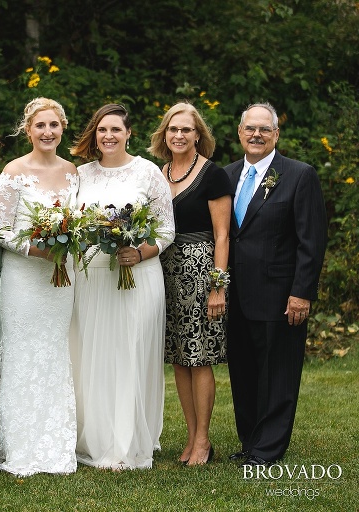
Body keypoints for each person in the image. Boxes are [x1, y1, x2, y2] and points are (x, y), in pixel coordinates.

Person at [69, 103, 175, 470]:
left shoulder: (148, 172)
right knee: (92, 354)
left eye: (116, 129)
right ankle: (95, 436)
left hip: (138, 277)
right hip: (92, 277)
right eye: (102, 130)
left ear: (129, 133)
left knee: (130, 353)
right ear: (94, 135)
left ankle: (127, 441)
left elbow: (166, 229)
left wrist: (141, 252)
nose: (108, 136)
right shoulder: (79, 174)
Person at [225, 103, 327, 468]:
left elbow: (311, 241)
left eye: (264, 130)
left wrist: (302, 293)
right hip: (235, 296)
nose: (256, 135)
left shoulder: (299, 175)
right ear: (239, 133)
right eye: (250, 129)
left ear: (276, 134)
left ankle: (268, 449)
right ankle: (250, 441)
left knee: (278, 375)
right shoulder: (228, 175)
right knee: (244, 373)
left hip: (280, 296)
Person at [0, 97, 78, 476]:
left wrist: (69, 243)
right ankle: (20, 442)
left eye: (54, 125)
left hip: (61, 280)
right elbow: (0, 229)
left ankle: (56, 439)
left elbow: (80, 221)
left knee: (54, 352)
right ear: (28, 130)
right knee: (22, 353)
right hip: (23, 279)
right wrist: (35, 249)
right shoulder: (13, 171)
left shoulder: (73, 171)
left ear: (62, 129)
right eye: (40, 126)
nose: (47, 132)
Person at [148, 102, 232, 466]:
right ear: (164, 134)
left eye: (186, 130)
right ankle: (190, 435)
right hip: (163, 271)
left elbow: (224, 235)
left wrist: (218, 286)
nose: (179, 135)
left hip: (200, 271)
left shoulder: (213, 175)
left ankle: (203, 440)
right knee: (179, 360)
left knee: (199, 359)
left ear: (199, 135)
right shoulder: (156, 173)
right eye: (172, 129)